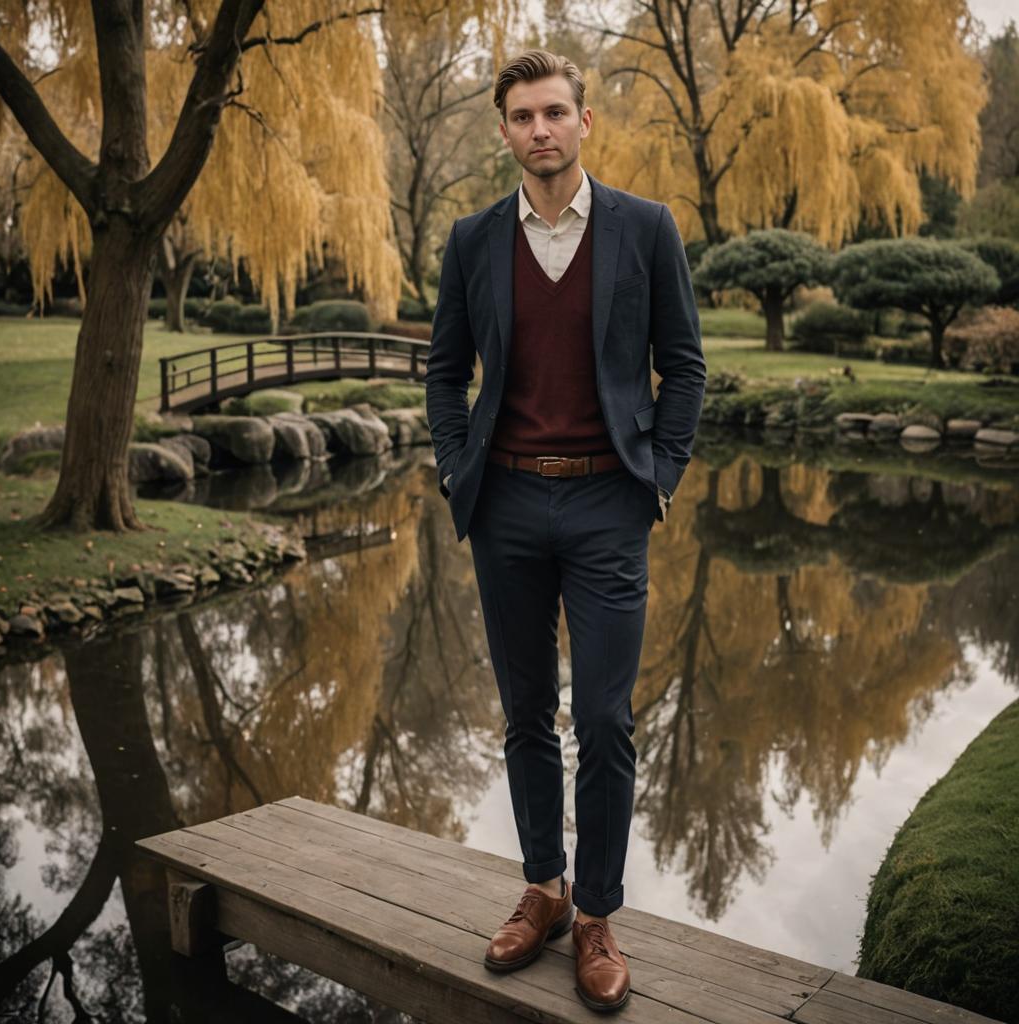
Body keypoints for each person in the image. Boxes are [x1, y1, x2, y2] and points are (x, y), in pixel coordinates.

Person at [424, 48, 706, 1012]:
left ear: (586, 122)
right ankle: (542, 888)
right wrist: (457, 465)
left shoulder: (646, 228)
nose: (540, 129)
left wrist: (659, 480)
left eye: (555, 112)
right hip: (502, 503)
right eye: (522, 116)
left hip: (606, 506)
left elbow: (686, 366)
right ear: (503, 131)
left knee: (606, 721)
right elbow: (443, 371)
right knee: (524, 714)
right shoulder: (471, 240)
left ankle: (595, 916)